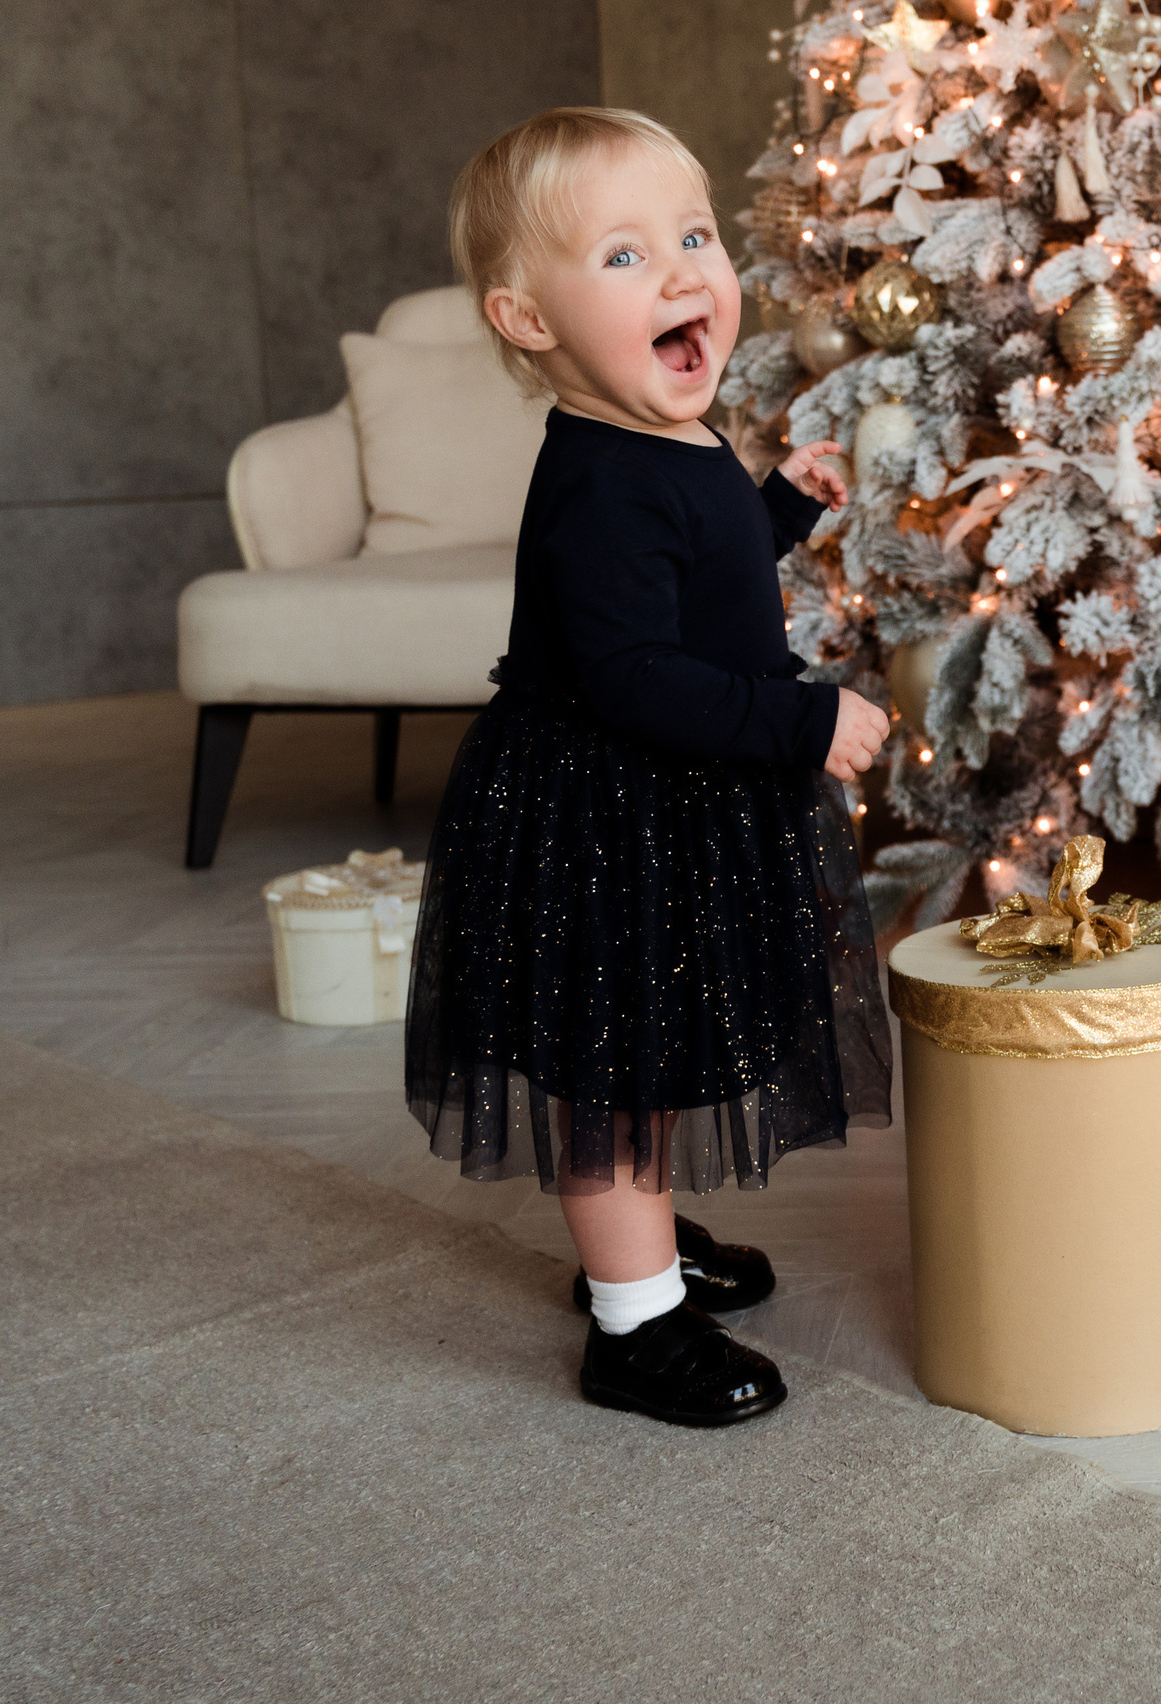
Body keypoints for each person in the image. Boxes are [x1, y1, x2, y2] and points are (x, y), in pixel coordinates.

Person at [405, 108, 893, 1428]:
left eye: (695, 236)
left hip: (666, 803)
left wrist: (782, 501)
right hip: (604, 814)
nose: (685, 273)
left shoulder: (665, 433)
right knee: (612, 1079)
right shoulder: (600, 483)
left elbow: (709, 564)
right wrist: (803, 724)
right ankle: (634, 1327)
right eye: (626, 257)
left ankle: (645, 1250)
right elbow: (633, 675)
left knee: (654, 1049)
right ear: (528, 319)